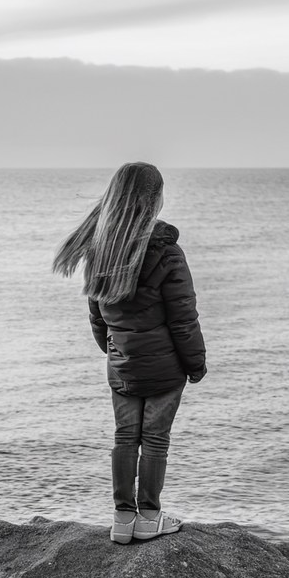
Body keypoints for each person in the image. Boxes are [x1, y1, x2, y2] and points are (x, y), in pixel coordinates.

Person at [54, 162, 206, 544]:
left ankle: (123, 518)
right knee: (155, 440)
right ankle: (150, 517)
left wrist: (115, 351)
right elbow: (183, 319)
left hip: (122, 365)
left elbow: (97, 316)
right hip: (165, 368)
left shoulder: (99, 248)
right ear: (153, 199)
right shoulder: (167, 252)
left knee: (125, 437)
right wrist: (196, 364)